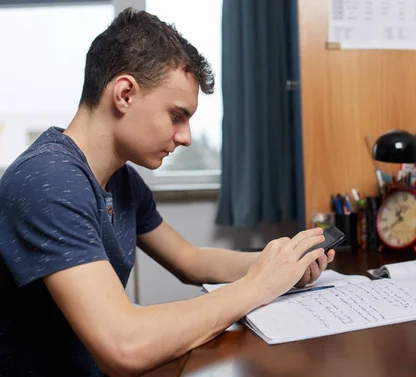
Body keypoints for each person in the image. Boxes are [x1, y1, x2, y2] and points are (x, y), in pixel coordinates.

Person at [0, 8, 334, 377]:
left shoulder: (122, 180)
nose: (186, 137)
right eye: (177, 115)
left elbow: (189, 261)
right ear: (124, 93)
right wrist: (258, 285)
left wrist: (279, 263)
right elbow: (122, 344)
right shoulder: (48, 179)